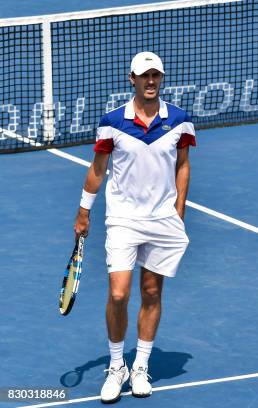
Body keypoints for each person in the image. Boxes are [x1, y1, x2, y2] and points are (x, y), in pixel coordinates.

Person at [74, 51, 196, 402]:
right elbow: (98, 169)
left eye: (156, 75)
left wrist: (179, 210)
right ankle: (117, 366)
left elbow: (183, 166)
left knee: (152, 292)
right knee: (118, 294)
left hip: (161, 219)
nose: (151, 81)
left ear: (161, 78)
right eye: (144, 76)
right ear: (132, 79)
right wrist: (84, 211)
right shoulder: (112, 122)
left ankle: (140, 366)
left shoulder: (180, 121)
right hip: (124, 218)